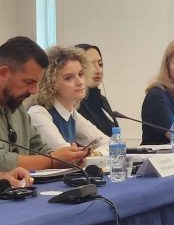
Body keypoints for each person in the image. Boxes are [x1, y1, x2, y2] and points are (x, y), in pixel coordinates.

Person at [0, 37, 87, 171]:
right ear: (3, 73)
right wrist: (53, 160)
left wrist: (68, 159)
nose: (34, 91)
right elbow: (2, 162)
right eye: (29, 82)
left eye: (37, 83)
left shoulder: (19, 109)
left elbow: (39, 150)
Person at [27, 46, 111, 156]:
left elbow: (109, 142)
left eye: (81, 74)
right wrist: (84, 155)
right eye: (68, 78)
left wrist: (95, 154)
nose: (80, 82)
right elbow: (67, 156)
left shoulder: (72, 113)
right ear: (51, 83)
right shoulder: (38, 113)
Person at [75, 44, 119, 136]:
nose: (98, 70)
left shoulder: (102, 100)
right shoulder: (75, 103)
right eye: (90, 64)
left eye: (100, 64)